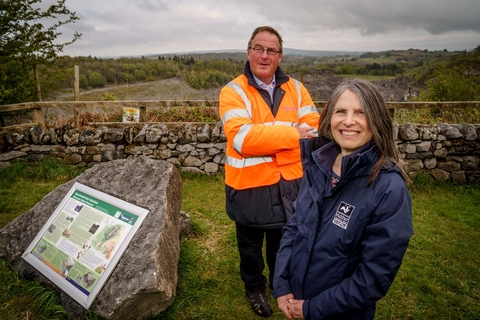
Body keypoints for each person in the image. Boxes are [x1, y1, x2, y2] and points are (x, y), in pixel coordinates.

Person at [273, 79, 414, 319]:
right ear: (329, 118)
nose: (349, 121)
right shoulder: (318, 166)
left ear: (377, 120)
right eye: (341, 111)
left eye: (361, 112)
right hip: (297, 299)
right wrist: (282, 284)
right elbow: (294, 227)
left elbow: (373, 278)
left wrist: (311, 309)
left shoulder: (389, 189)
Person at [219, 26, 320, 318]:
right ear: (249, 52)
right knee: (250, 249)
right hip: (249, 187)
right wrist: (291, 132)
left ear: (280, 56)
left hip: (291, 186)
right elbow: (242, 140)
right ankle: (254, 288)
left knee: (284, 244)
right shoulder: (233, 91)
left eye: (271, 50)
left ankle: (281, 286)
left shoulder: (297, 88)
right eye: (259, 48)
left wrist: (268, 135)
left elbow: (313, 131)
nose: (264, 55)